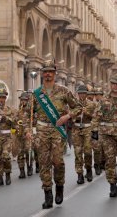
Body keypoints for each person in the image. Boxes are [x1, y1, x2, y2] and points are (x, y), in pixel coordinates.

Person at [31, 58, 81, 209]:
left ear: (55, 73)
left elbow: (78, 107)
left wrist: (67, 116)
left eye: (50, 72)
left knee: (58, 162)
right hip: (41, 132)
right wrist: (28, 130)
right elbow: (28, 115)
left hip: (57, 131)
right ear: (42, 74)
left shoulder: (64, 91)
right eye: (45, 72)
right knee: (44, 163)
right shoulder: (37, 94)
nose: (48, 75)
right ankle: (48, 194)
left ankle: (59, 187)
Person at [72, 84, 96, 184]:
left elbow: (95, 117)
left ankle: (89, 170)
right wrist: (75, 116)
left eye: (83, 93)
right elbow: (69, 115)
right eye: (80, 93)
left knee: (88, 152)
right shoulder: (74, 104)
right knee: (77, 153)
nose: (81, 95)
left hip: (87, 128)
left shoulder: (91, 104)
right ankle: (79, 174)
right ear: (77, 94)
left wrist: (87, 113)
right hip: (76, 128)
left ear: (86, 94)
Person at [15, 92, 34, 179]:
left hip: (28, 133)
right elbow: (14, 120)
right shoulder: (18, 110)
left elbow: (35, 120)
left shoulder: (31, 109)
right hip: (19, 133)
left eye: (25, 100)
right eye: (22, 100)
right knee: (20, 153)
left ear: (27, 100)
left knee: (28, 150)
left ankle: (29, 168)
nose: (23, 101)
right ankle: (22, 171)